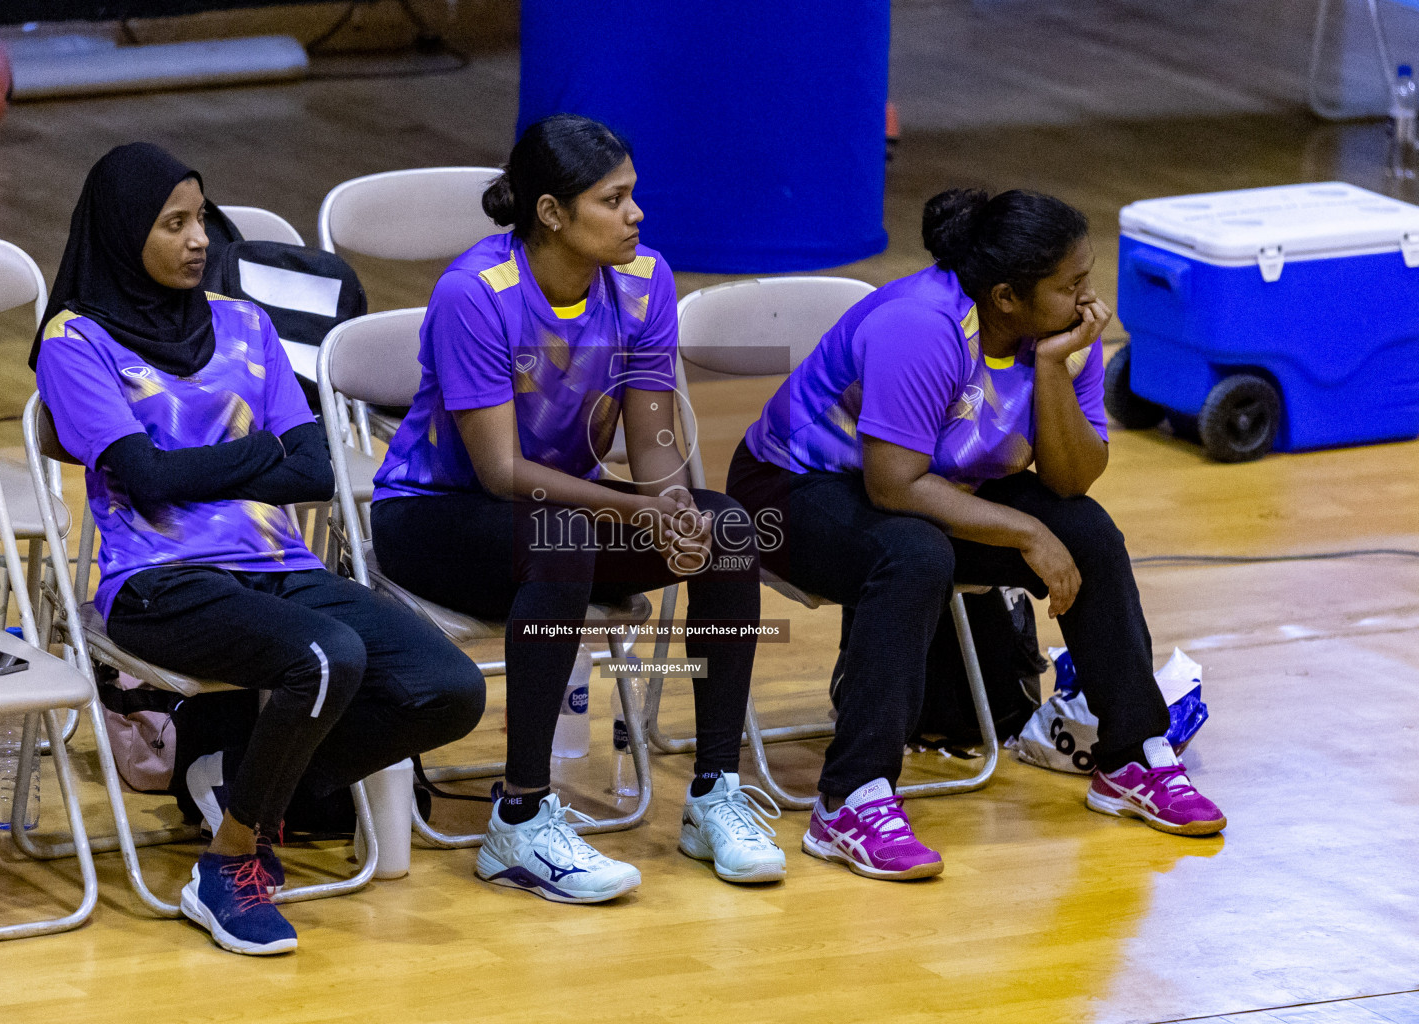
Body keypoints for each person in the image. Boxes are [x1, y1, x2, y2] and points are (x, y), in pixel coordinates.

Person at [31, 143, 485, 954]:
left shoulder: (245, 322)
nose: (199, 238)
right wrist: (254, 458)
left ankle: (240, 781)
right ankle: (229, 862)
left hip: (280, 566)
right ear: (123, 230)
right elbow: (141, 475)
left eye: (201, 217)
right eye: (174, 223)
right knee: (325, 657)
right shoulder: (77, 342)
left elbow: (312, 467)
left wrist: (194, 467)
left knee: (446, 688)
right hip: (159, 582)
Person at [726, 188, 1226, 882]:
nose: (1089, 302)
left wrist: (1053, 369)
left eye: (1087, 278)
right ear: (1005, 298)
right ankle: (850, 799)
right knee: (912, 553)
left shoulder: (1059, 341)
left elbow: (1073, 480)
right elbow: (891, 486)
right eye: (1070, 285)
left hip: (938, 483)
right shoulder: (921, 327)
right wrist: (1024, 532)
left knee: (1086, 532)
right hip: (789, 491)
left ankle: (1132, 755)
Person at [370, 114, 785, 903]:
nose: (636, 215)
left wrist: (672, 509)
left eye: (634, 196)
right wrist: (635, 513)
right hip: (434, 518)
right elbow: (499, 472)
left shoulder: (643, 281)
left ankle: (714, 795)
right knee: (563, 543)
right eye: (614, 199)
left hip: (565, 517)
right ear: (552, 213)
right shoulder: (475, 294)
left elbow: (654, 437)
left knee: (727, 527)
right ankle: (519, 820)